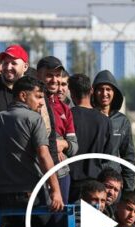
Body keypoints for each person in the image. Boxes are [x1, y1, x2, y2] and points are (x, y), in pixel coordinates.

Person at [0, 76, 63, 212]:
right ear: (23, 95)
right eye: (38, 97)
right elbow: (44, 156)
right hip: (30, 194)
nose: (41, 103)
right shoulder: (34, 119)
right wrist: (56, 191)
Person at [67, 73, 117, 198]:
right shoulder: (105, 121)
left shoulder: (68, 116)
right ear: (91, 91)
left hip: (70, 183)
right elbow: (107, 155)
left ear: (71, 93)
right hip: (94, 185)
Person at [37, 56, 77, 205]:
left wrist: (64, 144)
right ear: (38, 75)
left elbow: (74, 146)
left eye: (57, 75)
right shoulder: (31, 102)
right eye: (49, 75)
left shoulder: (65, 109)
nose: (54, 80)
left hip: (61, 173)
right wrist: (51, 145)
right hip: (36, 174)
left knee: (59, 221)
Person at [92, 70, 135, 191]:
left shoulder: (122, 121)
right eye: (100, 89)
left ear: (114, 92)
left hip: (114, 183)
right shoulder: (88, 117)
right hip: (92, 181)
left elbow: (128, 156)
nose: (104, 93)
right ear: (94, 92)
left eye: (108, 89)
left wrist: (128, 189)